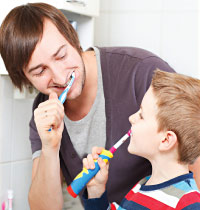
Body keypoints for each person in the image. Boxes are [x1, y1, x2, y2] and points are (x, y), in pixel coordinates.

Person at [0, 2, 199, 210]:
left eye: (61, 55)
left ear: (73, 38)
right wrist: (50, 148)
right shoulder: (43, 114)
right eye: (40, 71)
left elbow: (193, 157)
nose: (59, 77)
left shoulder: (141, 72)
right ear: (24, 78)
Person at [83, 69, 200, 210]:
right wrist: (96, 191)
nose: (131, 118)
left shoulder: (189, 204)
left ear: (166, 140)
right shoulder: (141, 187)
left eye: (141, 115)